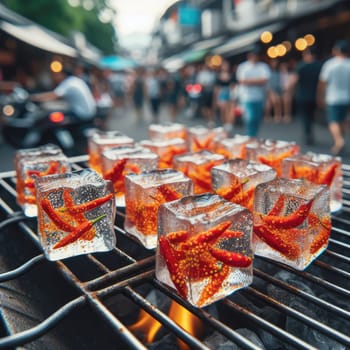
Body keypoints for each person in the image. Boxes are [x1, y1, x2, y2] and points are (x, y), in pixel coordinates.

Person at [318, 39, 350, 155]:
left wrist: (320, 96)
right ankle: (340, 140)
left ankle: (339, 140)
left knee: (333, 121)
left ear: (336, 50)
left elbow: (322, 82)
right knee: (343, 120)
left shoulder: (330, 64)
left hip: (333, 97)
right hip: (347, 97)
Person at [31, 67, 96, 121]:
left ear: (63, 74)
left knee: (50, 117)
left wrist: (34, 97)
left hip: (81, 113)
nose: (57, 77)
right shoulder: (76, 80)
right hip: (89, 112)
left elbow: (53, 95)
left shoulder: (69, 82)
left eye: (58, 75)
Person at [288, 47, 323, 145]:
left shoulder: (300, 66)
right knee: (311, 115)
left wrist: (289, 90)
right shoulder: (320, 66)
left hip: (302, 96)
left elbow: (294, 81)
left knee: (305, 116)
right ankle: (310, 132)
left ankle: (307, 133)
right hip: (315, 96)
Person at [236, 45, 271, 137]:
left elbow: (265, 81)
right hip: (247, 97)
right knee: (250, 118)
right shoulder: (243, 67)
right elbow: (242, 81)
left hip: (259, 97)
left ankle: (254, 136)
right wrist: (258, 81)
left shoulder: (263, 66)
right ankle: (250, 137)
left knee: (257, 119)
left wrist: (250, 81)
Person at [213, 59, 236, 133]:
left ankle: (229, 124)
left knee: (229, 109)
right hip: (222, 93)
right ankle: (224, 123)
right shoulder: (218, 76)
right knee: (223, 109)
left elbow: (233, 86)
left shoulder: (231, 75)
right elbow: (216, 88)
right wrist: (216, 98)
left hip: (229, 93)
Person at [265, 59, 283, 123]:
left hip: (278, 90)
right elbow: (267, 83)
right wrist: (269, 91)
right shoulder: (267, 72)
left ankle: (278, 116)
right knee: (272, 102)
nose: (274, 64)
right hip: (269, 90)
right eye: (273, 63)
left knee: (277, 101)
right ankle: (268, 116)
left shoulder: (279, 72)